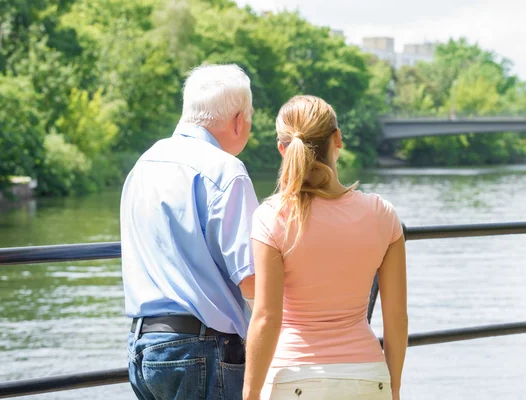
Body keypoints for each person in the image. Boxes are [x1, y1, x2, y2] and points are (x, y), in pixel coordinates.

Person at [243, 95, 408, 400]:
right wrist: (393, 388)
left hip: (295, 380)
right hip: (368, 379)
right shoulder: (382, 214)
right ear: (338, 139)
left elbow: (266, 317)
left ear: (282, 148)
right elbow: (396, 317)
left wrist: (250, 393)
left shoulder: (272, 217)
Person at [121, 64, 258, 400]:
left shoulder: (144, 164)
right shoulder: (226, 171)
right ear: (239, 120)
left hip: (143, 347)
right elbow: (254, 279)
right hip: (203, 351)